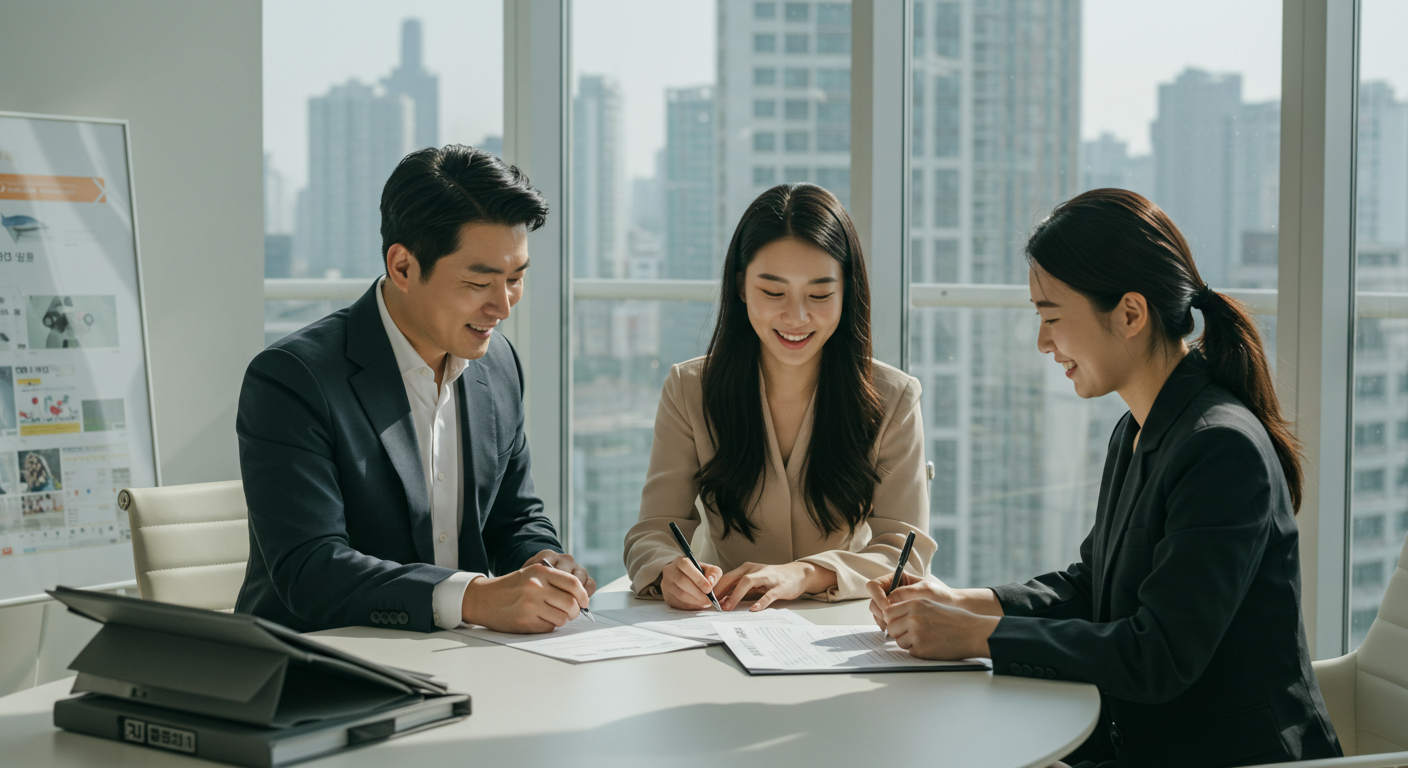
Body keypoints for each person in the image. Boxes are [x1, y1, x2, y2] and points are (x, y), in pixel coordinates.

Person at [867, 189, 1341, 767]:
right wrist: (963, 603)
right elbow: (1093, 588)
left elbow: (1158, 653)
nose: (1043, 342)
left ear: (1130, 314)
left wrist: (973, 636)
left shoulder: (1221, 447)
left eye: (1051, 317)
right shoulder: (1138, 428)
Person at [236, 145, 595, 635]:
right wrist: (472, 598)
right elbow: (311, 568)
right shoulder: (293, 378)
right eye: (479, 283)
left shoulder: (499, 364)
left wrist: (543, 561)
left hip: (464, 658)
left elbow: (513, 517)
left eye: (515, 279)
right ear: (403, 267)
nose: (503, 306)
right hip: (324, 659)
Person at [624, 183, 934, 611]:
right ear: (740, 286)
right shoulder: (690, 388)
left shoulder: (893, 397)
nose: (796, 316)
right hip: (722, 619)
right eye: (773, 292)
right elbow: (653, 531)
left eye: (820, 294)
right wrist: (668, 570)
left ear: (847, 291)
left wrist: (804, 573)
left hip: (843, 625)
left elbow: (905, 553)